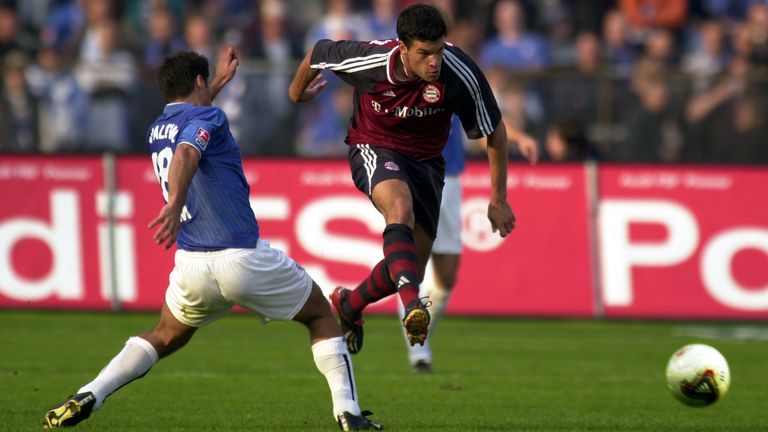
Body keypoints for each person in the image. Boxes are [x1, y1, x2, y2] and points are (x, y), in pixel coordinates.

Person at [42, 49, 382, 431]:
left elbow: (190, 130)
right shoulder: (210, 116)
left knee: (165, 335)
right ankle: (349, 413)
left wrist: (216, 83)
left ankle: (91, 392)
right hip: (240, 256)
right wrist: (175, 202)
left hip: (192, 265)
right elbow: (189, 149)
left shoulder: (158, 127)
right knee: (321, 313)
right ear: (198, 83)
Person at [288, 3, 516, 354]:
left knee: (411, 264)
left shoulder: (458, 72)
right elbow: (319, 52)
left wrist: (498, 198)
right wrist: (296, 93)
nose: (434, 62)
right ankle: (414, 307)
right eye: (424, 53)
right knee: (399, 208)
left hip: (427, 163)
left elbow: (494, 132)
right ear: (403, 47)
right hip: (374, 146)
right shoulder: (371, 61)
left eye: (438, 51)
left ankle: (349, 304)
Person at [402, 114, 538, 373]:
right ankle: (418, 351)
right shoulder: (400, 77)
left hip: (449, 179)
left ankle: (420, 329)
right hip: (408, 174)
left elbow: (485, 117)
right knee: (410, 267)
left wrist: (519, 138)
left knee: (447, 276)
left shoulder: (453, 77)